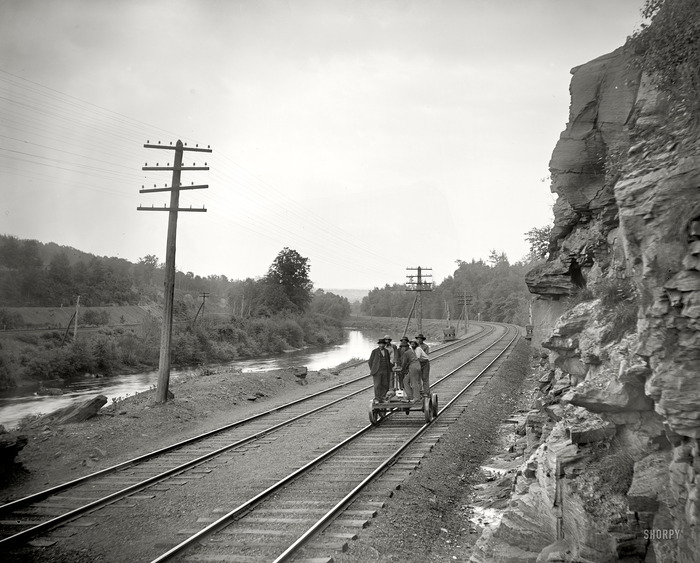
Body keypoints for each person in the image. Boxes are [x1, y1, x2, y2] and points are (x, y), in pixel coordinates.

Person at [368, 338, 392, 403]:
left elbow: (388, 361)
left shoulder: (386, 351)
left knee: (385, 384)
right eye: (380, 344)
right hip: (377, 371)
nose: (381, 345)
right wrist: (373, 369)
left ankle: (383, 397)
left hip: (385, 370)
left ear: (384, 345)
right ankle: (377, 398)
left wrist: (390, 369)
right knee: (377, 385)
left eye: (383, 344)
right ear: (378, 344)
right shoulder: (374, 351)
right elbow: (370, 361)